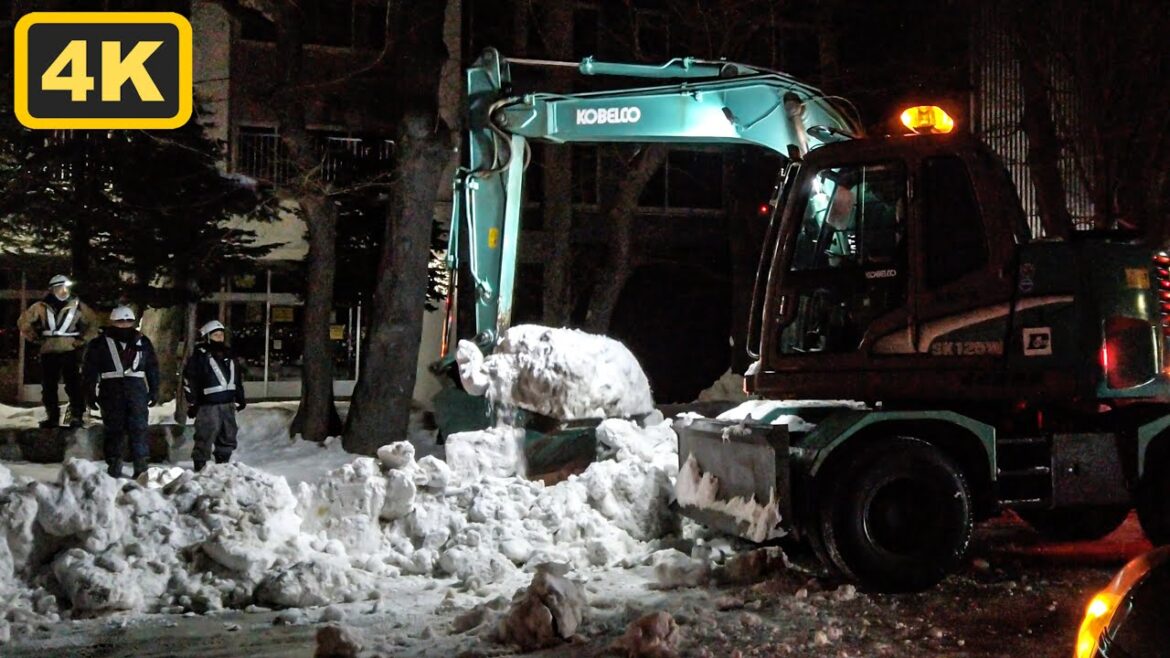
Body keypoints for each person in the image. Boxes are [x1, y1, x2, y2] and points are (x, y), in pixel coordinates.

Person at [82, 305, 160, 478]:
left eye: (128, 321)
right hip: (111, 390)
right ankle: (114, 465)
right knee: (114, 429)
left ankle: (141, 466)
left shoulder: (143, 341)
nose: (124, 324)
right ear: (113, 322)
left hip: (136, 389)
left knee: (139, 428)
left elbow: (152, 367)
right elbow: (90, 369)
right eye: (120, 321)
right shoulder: (99, 343)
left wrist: (154, 389)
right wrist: (90, 392)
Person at [17, 274, 99, 428]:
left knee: (73, 384)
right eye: (61, 286)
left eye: (66, 286)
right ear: (53, 288)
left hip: (70, 349)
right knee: (49, 386)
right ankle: (52, 417)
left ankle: (76, 416)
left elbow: (93, 323)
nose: (64, 290)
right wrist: (34, 338)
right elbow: (24, 322)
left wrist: (82, 340)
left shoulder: (78, 305)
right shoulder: (40, 306)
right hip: (49, 350)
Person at [182, 320, 246, 471]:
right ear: (207, 337)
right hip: (208, 405)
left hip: (228, 404)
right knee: (205, 435)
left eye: (221, 335)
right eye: (216, 335)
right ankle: (199, 467)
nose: (220, 338)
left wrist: (240, 397)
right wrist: (192, 403)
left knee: (228, 436)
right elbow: (190, 379)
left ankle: (222, 467)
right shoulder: (200, 356)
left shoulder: (229, 355)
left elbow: (236, 378)